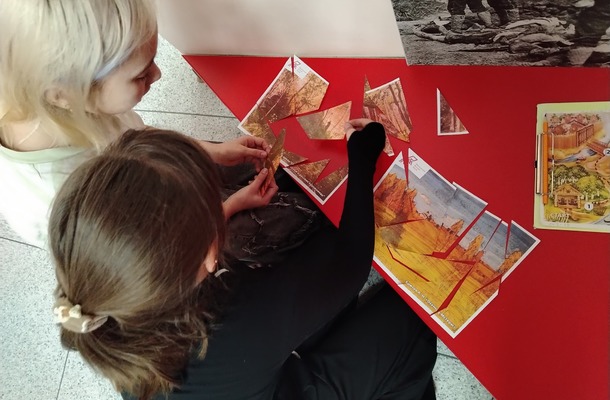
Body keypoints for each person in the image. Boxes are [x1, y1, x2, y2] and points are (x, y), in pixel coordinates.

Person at [49, 121, 438, 400]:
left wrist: (231, 205)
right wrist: (362, 157)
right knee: (409, 320)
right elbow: (350, 262)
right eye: (212, 200)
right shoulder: (233, 319)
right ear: (209, 254)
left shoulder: (105, 295)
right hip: (276, 382)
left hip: (236, 368)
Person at [0, 0, 319, 263]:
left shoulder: (72, 103)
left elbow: (137, 136)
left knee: (262, 162)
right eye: (140, 75)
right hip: (166, 240)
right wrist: (231, 206)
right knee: (300, 216)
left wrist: (212, 151)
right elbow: (161, 251)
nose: (158, 74)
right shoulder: (60, 201)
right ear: (68, 94)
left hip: (156, 178)